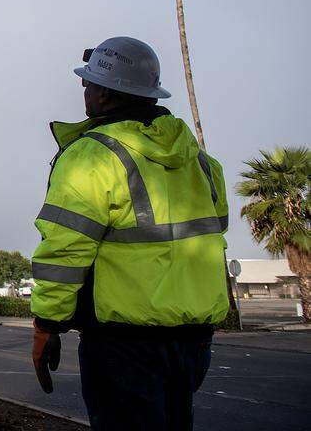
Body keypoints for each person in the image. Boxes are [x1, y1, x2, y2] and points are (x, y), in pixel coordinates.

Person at [30, 37, 230, 430]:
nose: (84, 92)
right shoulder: (202, 163)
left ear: (104, 94)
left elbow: (64, 253)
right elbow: (212, 236)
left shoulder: (92, 156)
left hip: (124, 342)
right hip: (194, 341)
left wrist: (46, 325)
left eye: (88, 84)